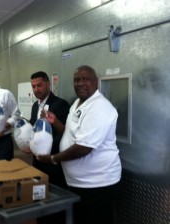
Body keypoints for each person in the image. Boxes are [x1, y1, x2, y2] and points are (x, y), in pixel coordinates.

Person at [37, 65, 122, 224]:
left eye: (86, 79)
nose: (81, 83)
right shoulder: (78, 103)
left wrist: (53, 158)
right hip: (81, 183)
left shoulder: (99, 107)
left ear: (95, 82)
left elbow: (83, 148)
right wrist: (54, 121)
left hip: (98, 185)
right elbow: (70, 133)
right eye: (77, 80)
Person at [30, 71, 70, 224]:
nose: (36, 90)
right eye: (33, 86)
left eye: (39, 85)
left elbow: (65, 134)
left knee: (54, 204)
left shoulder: (60, 104)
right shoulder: (35, 106)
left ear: (48, 84)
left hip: (53, 163)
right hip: (38, 162)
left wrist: (47, 150)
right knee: (40, 199)